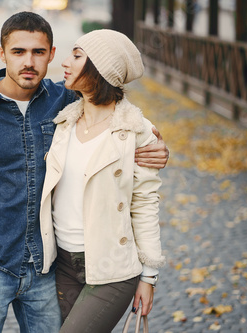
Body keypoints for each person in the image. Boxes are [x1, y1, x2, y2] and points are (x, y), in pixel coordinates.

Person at [0, 12, 168, 332]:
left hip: (46, 272)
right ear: (1, 54)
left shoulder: (64, 99)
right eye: (18, 52)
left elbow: (114, 110)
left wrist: (157, 145)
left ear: (51, 55)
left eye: (38, 52)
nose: (29, 62)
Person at [40, 29, 165, 332]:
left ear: (100, 68)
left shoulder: (136, 132)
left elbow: (145, 204)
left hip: (113, 269)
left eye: (77, 55)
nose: (66, 62)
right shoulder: (64, 121)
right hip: (63, 264)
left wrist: (148, 278)